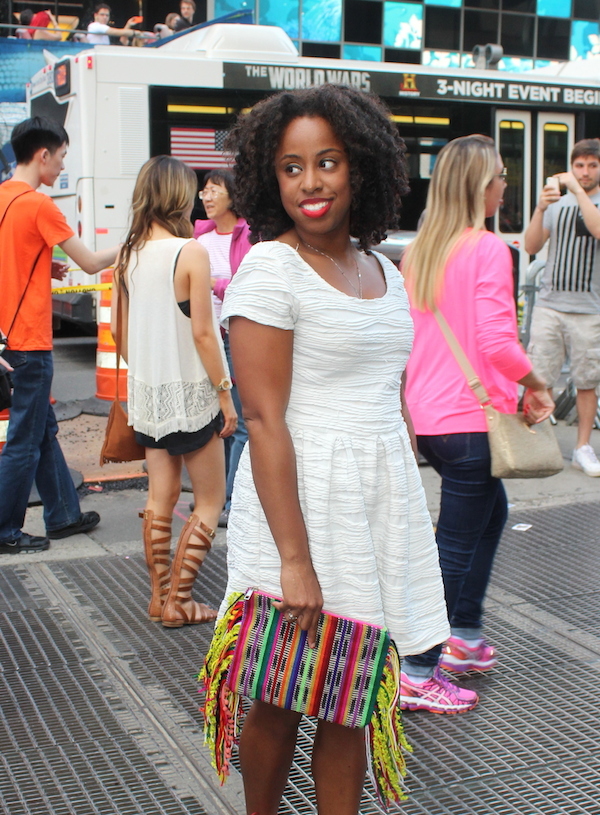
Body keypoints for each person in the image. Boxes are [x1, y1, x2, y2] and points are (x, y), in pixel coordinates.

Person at [206, 84, 449, 815]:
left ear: (361, 167)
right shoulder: (270, 271)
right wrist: (293, 559)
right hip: (300, 507)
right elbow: (264, 418)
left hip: (372, 504)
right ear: (269, 178)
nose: (311, 182)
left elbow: (387, 391)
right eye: (291, 167)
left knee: (352, 696)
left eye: (328, 162)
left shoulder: (383, 268)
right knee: (282, 695)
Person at [401, 135, 554, 712]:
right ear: (476, 186)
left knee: (490, 519)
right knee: (455, 547)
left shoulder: (420, 252)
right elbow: (495, 340)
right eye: (498, 176)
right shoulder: (488, 248)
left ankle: (463, 638)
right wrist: (535, 384)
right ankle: (418, 670)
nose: (504, 184)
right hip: (473, 421)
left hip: (435, 421)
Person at [111, 156, 237, 627]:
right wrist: (224, 393)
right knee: (208, 499)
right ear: (178, 196)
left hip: (148, 397)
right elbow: (204, 335)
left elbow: (119, 336)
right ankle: (180, 602)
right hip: (191, 396)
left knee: (159, 496)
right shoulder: (191, 252)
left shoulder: (129, 253)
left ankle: (158, 596)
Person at [0, 117, 121, 554]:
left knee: (41, 431)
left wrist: (39, 265)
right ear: (43, 155)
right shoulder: (38, 205)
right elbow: (89, 263)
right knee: (24, 442)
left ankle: (63, 514)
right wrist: (138, 242)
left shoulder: (3, 199)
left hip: (7, 340)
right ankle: (5, 530)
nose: (62, 165)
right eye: (63, 156)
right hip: (30, 342)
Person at [524, 139, 600, 477]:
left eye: (592, 166)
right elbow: (530, 245)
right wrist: (540, 208)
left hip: (589, 307)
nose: (584, 172)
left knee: (587, 381)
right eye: (579, 165)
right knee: (539, 377)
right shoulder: (555, 204)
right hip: (550, 305)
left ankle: (582, 447)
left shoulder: (591, 201)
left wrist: (577, 191)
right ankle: (538, 441)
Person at [194, 170, 251, 527]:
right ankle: (217, 497)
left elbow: (248, 289)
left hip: (235, 338)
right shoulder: (199, 235)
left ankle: (231, 500)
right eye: (204, 191)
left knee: (240, 424)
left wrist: (216, 285)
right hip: (205, 340)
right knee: (214, 423)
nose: (207, 197)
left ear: (232, 195)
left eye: (214, 190)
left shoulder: (249, 235)